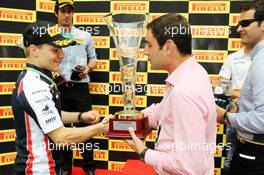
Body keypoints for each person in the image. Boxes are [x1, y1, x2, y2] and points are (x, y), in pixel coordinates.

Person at [11, 21, 110, 175]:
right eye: (55, 50)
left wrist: (81, 116)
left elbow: (52, 115)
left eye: (62, 49)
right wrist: (101, 128)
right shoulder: (35, 86)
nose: (61, 55)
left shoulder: (39, 78)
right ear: (34, 50)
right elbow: (61, 137)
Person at [126, 13, 217, 175]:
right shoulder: (192, 72)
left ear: (168, 47)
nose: (145, 51)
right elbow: (163, 113)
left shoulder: (184, 92)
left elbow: (189, 167)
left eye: (149, 44)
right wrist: (131, 118)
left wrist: (144, 152)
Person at [217, 1, 264, 175]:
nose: (238, 29)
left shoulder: (261, 60)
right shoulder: (257, 57)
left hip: (255, 152)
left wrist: (228, 117)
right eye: (238, 24)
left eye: (245, 23)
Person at [54, 0, 98, 174]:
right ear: (56, 13)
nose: (67, 15)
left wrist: (87, 69)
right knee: (62, 129)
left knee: (86, 128)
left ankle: (89, 168)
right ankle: (65, 169)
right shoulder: (50, 36)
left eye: (69, 11)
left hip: (80, 88)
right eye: (63, 11)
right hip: (59, 88)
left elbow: (94, 59)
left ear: (73, 13)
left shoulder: (84, 36)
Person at [218, 43, 252, 175]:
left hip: (260, 112)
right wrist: (234, 95)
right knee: (231, 155)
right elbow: (221, 84)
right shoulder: (233, 58)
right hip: (236, 109)